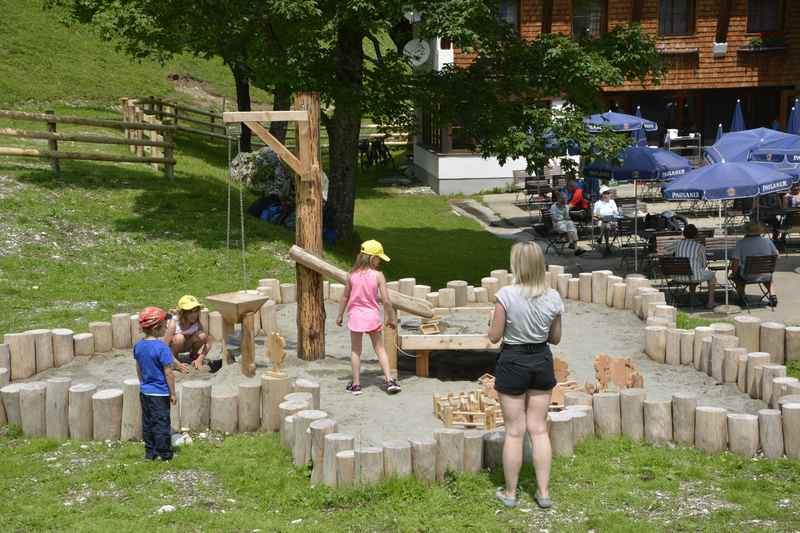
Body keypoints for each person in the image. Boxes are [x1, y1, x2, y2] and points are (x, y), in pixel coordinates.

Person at [488, 241, 563, 510]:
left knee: (515, 431)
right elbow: (555, 338)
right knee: (539, 429)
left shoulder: (506, 295)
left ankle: (510, 493)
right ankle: (543, 493)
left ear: (517, 264)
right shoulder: (553, 296)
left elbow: (494, 336)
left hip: (513, 360)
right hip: (541, 359)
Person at [336, 240, 400, 395]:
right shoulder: (378, 275)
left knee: (356, 351)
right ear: (372, 258)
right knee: (380, 349)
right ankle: (389, 380)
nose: (379, 262)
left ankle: (356, 385)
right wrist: (391, 317)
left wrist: (339, 315)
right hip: (372, 317)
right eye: (379, 258)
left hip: (356, 317)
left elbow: (345, 297)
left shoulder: (351, 275)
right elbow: (385, 300)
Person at [133, 307, 186, 461]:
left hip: (145, 392)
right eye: (164, 325)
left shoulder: (138, 346)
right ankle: (165, 454)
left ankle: (150, 453)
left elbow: (138, 367)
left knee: (148, 423)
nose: (166, 328)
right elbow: (168, 372)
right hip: (160, 393)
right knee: (162, 423)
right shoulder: (162, 348)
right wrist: (173, 393)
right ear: (157, 328)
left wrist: (142, 383)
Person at [164, 295, 220, 373]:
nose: (194, 314)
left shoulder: (196, 321)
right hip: (173, 348)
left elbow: (209, 340)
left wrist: (200, 359)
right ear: (183, 312)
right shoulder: (174, 323)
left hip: (187, 345)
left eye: (196, 311)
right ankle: (175, 360)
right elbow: (164, 346)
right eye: (190, 312)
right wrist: (177, 364)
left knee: (202, 335)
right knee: (179, 338)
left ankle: (193, 355)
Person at [731, 222, 779, 305]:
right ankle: (772, 294)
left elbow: (735, 261)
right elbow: (776, 255)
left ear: (746, 232)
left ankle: (742, 296)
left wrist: (734, 274)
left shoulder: (741, 243)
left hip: (747, 275)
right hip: (766, 274)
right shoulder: (768, 241)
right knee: (766, 274)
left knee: (737, 275)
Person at [673, 224, 717, 308]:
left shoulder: (677, 244)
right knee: (711, 276)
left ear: (684, 234)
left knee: (693, 272)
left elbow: (665, 249)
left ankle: (692, 298)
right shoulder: (699, 247)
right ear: (696, 235)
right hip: (693, 276)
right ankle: (710, 302)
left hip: (677, 276)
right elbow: (704, 265)